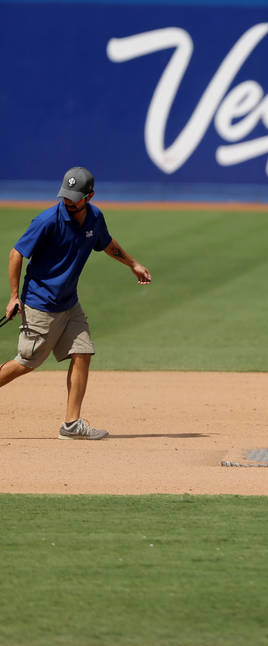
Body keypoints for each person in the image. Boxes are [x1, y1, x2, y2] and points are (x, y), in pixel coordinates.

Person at [2, 166, 152, 440]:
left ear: (90, 196)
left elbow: (106, 243)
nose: (68, 201)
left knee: (82, 353)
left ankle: (71, 424)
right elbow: (16, 253)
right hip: (41, 303)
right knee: (26, 362)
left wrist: (133, 264)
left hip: (69, 303)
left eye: (74, 196)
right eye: (65, 195)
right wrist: (14, 297)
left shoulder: (94, 218)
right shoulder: (47, 221)